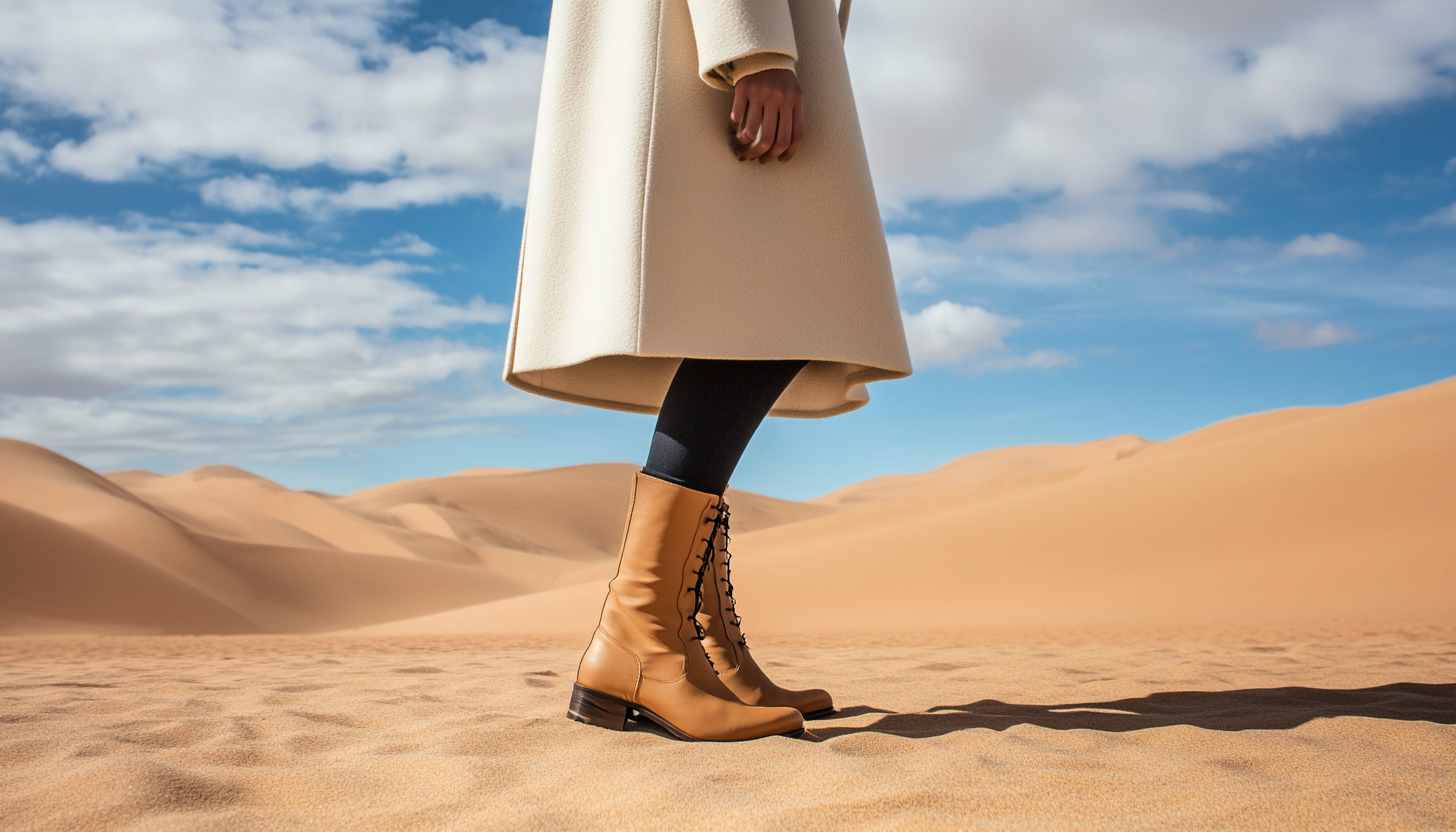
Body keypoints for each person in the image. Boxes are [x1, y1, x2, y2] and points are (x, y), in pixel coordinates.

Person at [503, 0, 911, 741]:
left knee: (756, 309)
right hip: (712, 41)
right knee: (781, 298)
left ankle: (693, 650)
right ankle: (640, 640)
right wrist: (754, 46)